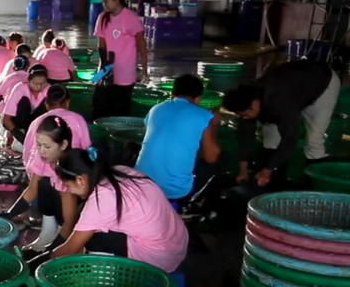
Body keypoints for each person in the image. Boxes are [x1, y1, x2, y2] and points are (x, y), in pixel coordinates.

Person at [50, 147, 189, 273]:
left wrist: (43, 262)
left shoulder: (102, 198)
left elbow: (71, 249)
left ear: (80, 180)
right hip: (177, 240)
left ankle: (104, 284)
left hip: (158, 258)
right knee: (84, 215)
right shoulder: (119, 171)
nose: (70, 191)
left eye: (68, 185)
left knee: (95, 237)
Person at [223, 59, 340, 188]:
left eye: (245, 115)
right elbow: (245, 136)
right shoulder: (248, 97)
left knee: (313, 140)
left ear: (255, 104)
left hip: (321, 85)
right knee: (271, 138)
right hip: (294, 87)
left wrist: (268, 169)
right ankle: (273, 185)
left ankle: (315, 188)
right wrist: (243, 171)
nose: (244, 118)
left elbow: (290, 138)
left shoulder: (278, 100)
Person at [1, 85, 92, 251]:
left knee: (63, 204)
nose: (41, 151)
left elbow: (69, 221)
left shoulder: (68, 172)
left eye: (46, 147)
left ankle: (66, 243)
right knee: (44, 184)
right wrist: (8, 215)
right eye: (39, 145)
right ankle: (48, 232)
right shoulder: (45, 150)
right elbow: (32, 188)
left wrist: (50, 254)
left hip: (79, 206)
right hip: (60, 184)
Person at [136, 74, 222, 200]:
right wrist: (213, 124)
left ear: (172, 93)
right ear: (198, 98)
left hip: (140, 183)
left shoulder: (156, 109)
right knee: (222, 158)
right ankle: (195, 205)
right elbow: (211, 157)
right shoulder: (203, 115)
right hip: (175, 191)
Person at [92, 0, 148, 120]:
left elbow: (141, 45)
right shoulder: (102, 18)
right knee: (100, 108)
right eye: (102, 1)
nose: (104, 4)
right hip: (106, 72)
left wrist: (144, 69)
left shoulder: (130, 18)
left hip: (125, 74)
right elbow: (101, 45)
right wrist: (102, 69)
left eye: (106, 0)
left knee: (119, 110)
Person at [1, 64, 50, 150]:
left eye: (43, 83)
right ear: (28, 80)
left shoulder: (48, 89)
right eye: (35, 83)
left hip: (34, 123)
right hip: (18, 123)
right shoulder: (20, 88)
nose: (39, 87)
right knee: (24, 102)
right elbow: (6, 119)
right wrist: (23, 139)